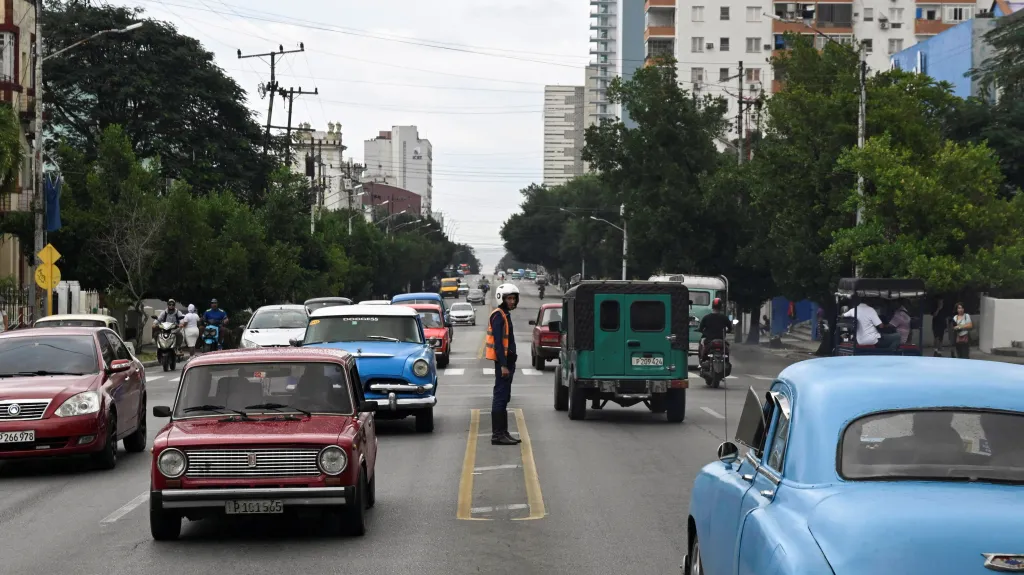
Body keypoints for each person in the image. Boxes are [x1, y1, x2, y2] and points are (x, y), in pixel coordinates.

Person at [485, 283, 520, 446]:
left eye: (514, 298)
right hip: (503, 364)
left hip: (508, 363)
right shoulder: (498, 315)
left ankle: (504, 432)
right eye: (509, 298)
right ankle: (497, 434)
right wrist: (503, 365)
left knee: (505, 398)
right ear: (501, 298)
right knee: (500, 398)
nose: (512, 301)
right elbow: (499, 343)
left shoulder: (505, 314)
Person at [698, 298, 732, 362]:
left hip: (709, 340)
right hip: (721, 340)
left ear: (712, 306)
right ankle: (727, 362)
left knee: (701, 343)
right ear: (721, 307)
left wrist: (702, 331)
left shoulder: (706, 317)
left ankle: (701, 360)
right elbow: (730, 328)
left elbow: (701, 328)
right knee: (727, 348)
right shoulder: (724, 318)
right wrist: (728, 331)